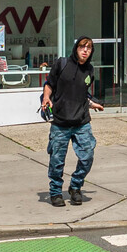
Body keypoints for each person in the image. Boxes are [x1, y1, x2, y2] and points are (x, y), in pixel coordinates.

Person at [40, 36, 104, 206]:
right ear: (76, 48)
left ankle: (75, 187)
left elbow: (82, 94)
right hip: (61, 122)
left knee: (87, 156)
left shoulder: (90, 70)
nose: (85, 50)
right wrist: (46, 98)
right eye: (82, 47)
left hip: (81, 122)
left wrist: (92, 104)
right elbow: (49, 84)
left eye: (89, 48)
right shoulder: (62, 64)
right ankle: (55, 192)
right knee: (57, 161)